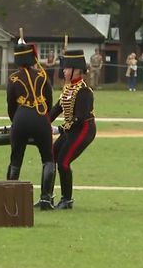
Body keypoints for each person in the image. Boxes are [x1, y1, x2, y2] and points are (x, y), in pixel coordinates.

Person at [6, 43, 55, 210]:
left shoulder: (13, 78)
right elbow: (49, 100)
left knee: (16, 159)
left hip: (21, 117)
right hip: (41, 117)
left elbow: (10, 105)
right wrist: (44, 118)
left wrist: (16, 123)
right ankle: (46, 199)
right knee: (48, 158)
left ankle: (9, 197)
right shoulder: (42, 75)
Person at [49, 49, 96, 210]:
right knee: (52, 157)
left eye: (67, 68)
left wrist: (59, 130)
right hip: (70, 129)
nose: (64, 70)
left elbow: (80, 118)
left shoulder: (83, 91)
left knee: (63, 162)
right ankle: (47, 197)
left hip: (84, 129)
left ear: (76, 70)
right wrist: (42, 123)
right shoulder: (68, 88)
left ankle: (67, 200)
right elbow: (57, 109)